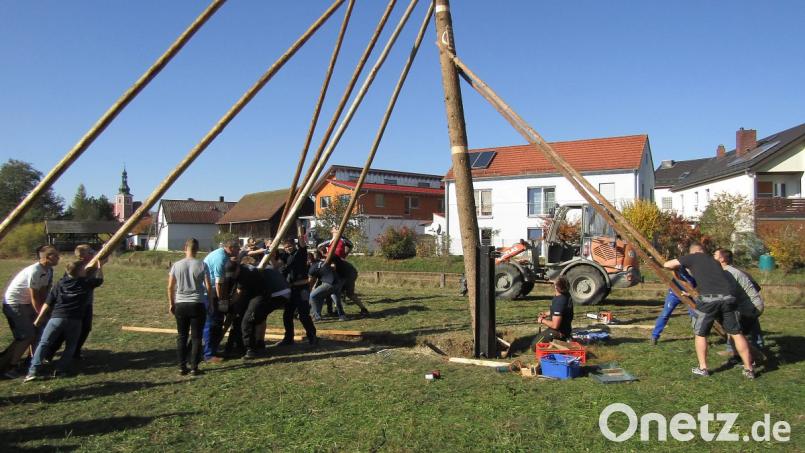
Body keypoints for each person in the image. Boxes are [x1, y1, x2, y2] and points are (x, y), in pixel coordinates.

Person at [663, 242, 755, 379]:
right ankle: (749, 369)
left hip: (708, 300)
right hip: (728, 298)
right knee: (736, 333)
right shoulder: (714, 262)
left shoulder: (693, 257)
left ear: (694, 252)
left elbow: (667, 265)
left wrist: (679, 265)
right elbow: (709, 279)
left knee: (700, 333)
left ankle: (703, 368)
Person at [25, 259, 103, 381]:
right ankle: (60, 370)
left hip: (56, 319)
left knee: (44, 343)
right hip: (75, 320)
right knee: (71, 346)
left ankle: (33, 371)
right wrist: (99, 267)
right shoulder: (86, 283)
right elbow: (99, 280)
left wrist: (39, 318)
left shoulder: (60, 283)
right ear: (79, 272)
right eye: (83, 269)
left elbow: (48, 302)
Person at [1, 246, 59, 379]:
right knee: (27, 335)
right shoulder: (35, 271)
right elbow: (34, 296)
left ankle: (31, 361)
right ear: (45, 258)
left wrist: (46, 311)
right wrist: (40, 314)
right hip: (16, 304)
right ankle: (11, 367)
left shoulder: (49, 270)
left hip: (28, 303)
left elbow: (43, 292)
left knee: (39, 331)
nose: (58, 258)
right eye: (55, 256)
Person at [48, 244, 102, 361]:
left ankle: (75, 352)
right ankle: (50, 352)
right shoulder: (77, 267)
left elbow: (102, 259)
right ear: (83, 256)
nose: (93, 253)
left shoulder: (90, 264)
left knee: (85, 328)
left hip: (86, 303)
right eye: (90, 252)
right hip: (74, 305)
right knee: (65, 331)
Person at [168, 238, 212, 376]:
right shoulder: (202, 265)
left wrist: (171, 303)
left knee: (182, 336)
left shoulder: (176, 265)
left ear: (184, 248)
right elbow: (209, 287)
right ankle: (194, 367)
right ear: (197, 249)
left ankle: (182, 367)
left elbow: (170, 287)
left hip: (181, 303)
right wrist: (209, 302)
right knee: (196, 337)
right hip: (197, 303)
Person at [714, 248, 764, 361]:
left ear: (721, 259)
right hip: (749, 304)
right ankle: (736, 352)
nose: (712, 258)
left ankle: (751, 356)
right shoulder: (734, 270)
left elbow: (729, 293)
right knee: (736, 325)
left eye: (715, 255)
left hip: (749, 305)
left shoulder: (728, 272)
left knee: (733, 326)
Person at [235, 264, 291, 359]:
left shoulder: (254, 270)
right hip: (284, 292)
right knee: (260, 316)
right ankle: (259, 343)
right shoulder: (265, 267)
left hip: (275, 294)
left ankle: (253, 348)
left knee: (251, 319)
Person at [202, 239, 240, 363]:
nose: (239, 251)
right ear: (231, 247)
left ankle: (212, 350)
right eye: (237, 248)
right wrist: (221, 300)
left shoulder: (223, 254)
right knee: (212, 323)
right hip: (211, 292)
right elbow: (218, 283)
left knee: (216, 323)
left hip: (213, 290)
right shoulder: (221, 258)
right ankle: (208, 354)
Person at [318, 229, 369, 317]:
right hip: (347, 272)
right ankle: (360, 310)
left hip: (348, 273)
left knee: (343, 293)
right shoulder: (330, 242)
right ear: (331, 231)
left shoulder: (342, 241)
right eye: (335, 228)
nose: (337, 229)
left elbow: (350, 245)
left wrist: (345, 254)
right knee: (340, 293)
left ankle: (342, 312)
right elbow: (319, 246)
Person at [277, 238, 317, 346]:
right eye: (285, 247)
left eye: (289, 246)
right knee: (287, 315)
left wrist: (299, 225)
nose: (288, 248)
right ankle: (288, 338)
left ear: (294, 245)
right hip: (290, 290)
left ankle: (312, 337)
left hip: (302, 289)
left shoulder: (300, 254)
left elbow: (302, 243)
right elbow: (275, 254)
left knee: (303, 315)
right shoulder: (285, 256)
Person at [650, 267, 696, 345]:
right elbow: (667, 266)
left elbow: (699, 287)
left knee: (695, 315)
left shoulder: (699, 272)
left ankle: (699, 337)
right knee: (665, 314)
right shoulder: (680, 266)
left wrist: (690, 294)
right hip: (674, 294)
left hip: (690, 296)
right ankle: (654, 336)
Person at [533, 276, 574, 344]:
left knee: (534, 346)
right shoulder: (565, 294)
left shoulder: (560, 302)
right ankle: (565, 338)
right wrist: (546, 314)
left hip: (559, 332)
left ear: (556, 287)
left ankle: (563, 340)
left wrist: (542, 320)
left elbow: (555, 325)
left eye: (555, 283)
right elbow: (559, 311)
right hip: (566, 328)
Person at [308, 252, 344, 321]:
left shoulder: (312, 268)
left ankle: (316, 316)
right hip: (338, 282)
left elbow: (310, 282)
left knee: (312, 296)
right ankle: (342, 316)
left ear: (309, 260)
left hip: (330, 283)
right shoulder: (321, 262)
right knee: (335, 299)